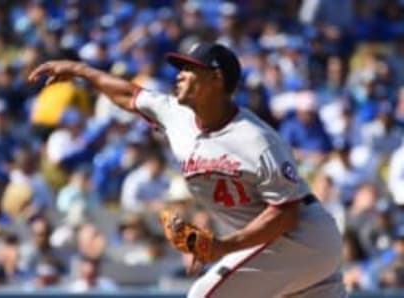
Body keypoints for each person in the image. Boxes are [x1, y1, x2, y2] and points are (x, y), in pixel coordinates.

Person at [29, 42, 346, 297]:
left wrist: (223, 247)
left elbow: (286, 213)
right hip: (283, 247)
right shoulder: (175, 114)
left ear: (216, 78)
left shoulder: (257, 139)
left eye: (190, 69)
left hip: (300, 238)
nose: (179, 74)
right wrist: (79, 69)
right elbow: (129, 94)